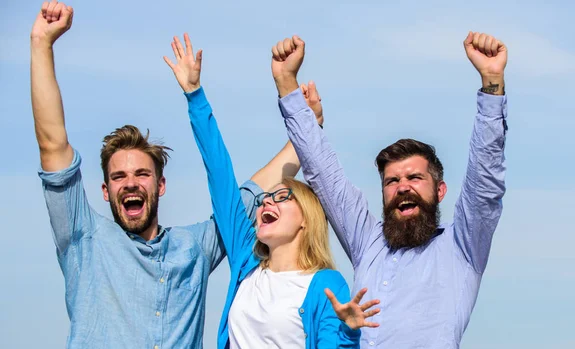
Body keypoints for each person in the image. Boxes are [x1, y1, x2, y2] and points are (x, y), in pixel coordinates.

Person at [31, 2, 295, 347]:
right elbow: (53, 146)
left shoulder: (192, 248)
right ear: (106, 191)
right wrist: (41, 43)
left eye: (142, 174)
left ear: (161, 184)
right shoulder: (85, 239)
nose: (130, 183)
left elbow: (244, 197)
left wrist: (306, 132)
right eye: (118, 177)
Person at [271, 32, 508, 348]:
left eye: (415, 178)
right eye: (392, 181)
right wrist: (287, 83)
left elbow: (485, 182)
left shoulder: (463, 246)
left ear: (440, 191)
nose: (403, 187)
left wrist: (492, 84)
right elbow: (324, 175)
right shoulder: (369, 243)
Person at [163, 33, 380, 348]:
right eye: (266, 197)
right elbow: (220, 177)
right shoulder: (245, 262)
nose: (267, 201)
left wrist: (348, 334)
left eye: (283, 196)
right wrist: (195, 95)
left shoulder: (326, 284)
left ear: (307, 217)